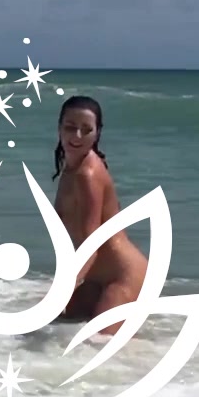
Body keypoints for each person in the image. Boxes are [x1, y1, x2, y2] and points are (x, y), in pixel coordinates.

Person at [51, 95, 149, 336]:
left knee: (98, 345)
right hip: (95, 277)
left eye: (86, 130)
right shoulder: (70, 169)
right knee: (54, 331)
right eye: (70, 127)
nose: (77, 136)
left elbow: (91, 244)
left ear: (97, 133)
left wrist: (61, 290)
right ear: (59, 128)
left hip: (123, 275)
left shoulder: (88, 174)